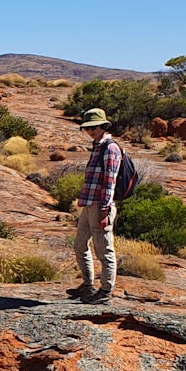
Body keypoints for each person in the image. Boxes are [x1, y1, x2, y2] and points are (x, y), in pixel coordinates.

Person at [68, 108, 121, 304]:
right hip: (90, 203)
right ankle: (88, 285)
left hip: (100, 205)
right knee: (80, 244)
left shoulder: (110, 148)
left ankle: (106, 291)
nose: (90, 130)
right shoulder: (97, 146)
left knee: (104, 249)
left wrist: (105, 209)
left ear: (103, 126)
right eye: (87, 127)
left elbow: (110, 181)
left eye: (94, 126)